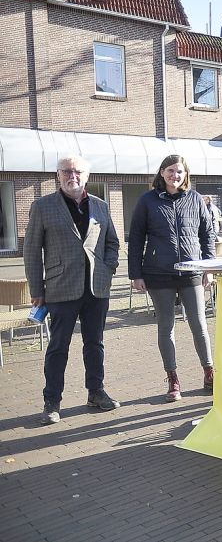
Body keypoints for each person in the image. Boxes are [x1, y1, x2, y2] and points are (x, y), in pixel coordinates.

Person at [24, 155, 121, 425]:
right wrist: (37, 289)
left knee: (95, 343)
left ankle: (96, 392)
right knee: (58, 347)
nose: (72, 175)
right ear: (58, 175)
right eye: (66, 171)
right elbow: (31, 252)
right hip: (60, 287)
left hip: (96, 287)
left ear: (86, 176)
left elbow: (112, 242)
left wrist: (108, 267)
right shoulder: (42, 206)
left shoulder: (100, 206)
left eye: (78, 171)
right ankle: (52, 402)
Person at [129, 155, 216, 403]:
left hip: (192, 272)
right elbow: (136, 238)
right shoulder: (147, 201)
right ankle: (173, 379)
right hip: (158, 273)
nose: (174, 176)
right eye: (170, 171)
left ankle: (209, 372)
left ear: (185, 174)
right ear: (161, 172)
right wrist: (136, 274)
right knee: (166, 327)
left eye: (179, 172)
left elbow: (207, 234)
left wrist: (208, 268)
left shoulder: (195, 199)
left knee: (199, 325)